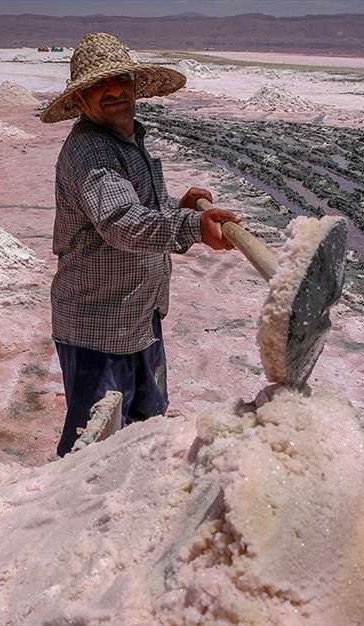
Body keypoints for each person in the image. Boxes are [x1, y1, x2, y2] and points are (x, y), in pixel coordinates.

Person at [40, 32, 238, 456]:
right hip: (97, 328)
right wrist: (191, 227)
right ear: (79, 101)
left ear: (134, 86)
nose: (113, 91)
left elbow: (139, 206)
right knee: (92, 448)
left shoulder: (129, 139)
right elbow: (121, 223)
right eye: (98, 85)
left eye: (119, 80)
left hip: (139, 316)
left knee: (144, 428)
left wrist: (176, 207)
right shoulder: (90, 152)